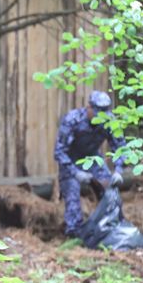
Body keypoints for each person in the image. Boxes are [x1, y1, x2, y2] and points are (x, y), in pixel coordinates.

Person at [54, 90, 126, 237]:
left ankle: (112, 227)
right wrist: (76, 173)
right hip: (71, 162)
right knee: (73, 196)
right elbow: (59, 151)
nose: (100, 117)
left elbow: (119, 147)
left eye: (103, 113)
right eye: (97, 112)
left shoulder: (110, 122)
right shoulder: (72, 120)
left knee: (111, 192)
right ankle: (74, 234)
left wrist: (118, 170)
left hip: (93, 159)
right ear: (89, 108)